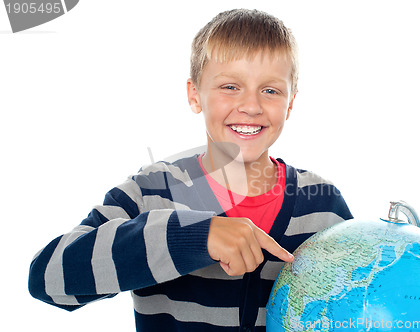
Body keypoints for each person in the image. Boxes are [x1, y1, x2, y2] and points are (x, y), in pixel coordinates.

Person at [28, 8, 353, 331]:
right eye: (230, 86)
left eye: (270, 90)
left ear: (291, 103)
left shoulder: (324, 207)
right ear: (195, 95)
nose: (251, 106)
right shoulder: (149, 192)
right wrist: (192, 236)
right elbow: (47, 278)